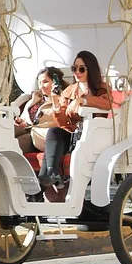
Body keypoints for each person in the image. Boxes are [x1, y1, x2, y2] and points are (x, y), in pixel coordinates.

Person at [37, 50, 113, 188]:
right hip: (74, 135)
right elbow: (63, 122)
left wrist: (83, 100)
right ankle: (51, 172)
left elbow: (107, 103)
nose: (77, 72)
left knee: (56, 137)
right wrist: (55, 103)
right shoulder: (69, 90)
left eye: (82, 69)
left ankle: (42, 186)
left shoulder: (102, 88)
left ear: (91, 70)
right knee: (54, 131)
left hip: (93, 136)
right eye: (74, 68)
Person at [14, 66, 67, 154]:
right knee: (8, 131)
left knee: (13, 146)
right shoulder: (37, 98)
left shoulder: (62, 100)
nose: (41, 86)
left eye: (45, 82)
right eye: (39, 82)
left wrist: (55, 97)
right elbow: (24, 119)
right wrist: (20, 121)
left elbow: (55, 121)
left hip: (42, 136)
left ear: (55, 82)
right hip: (29, 131)